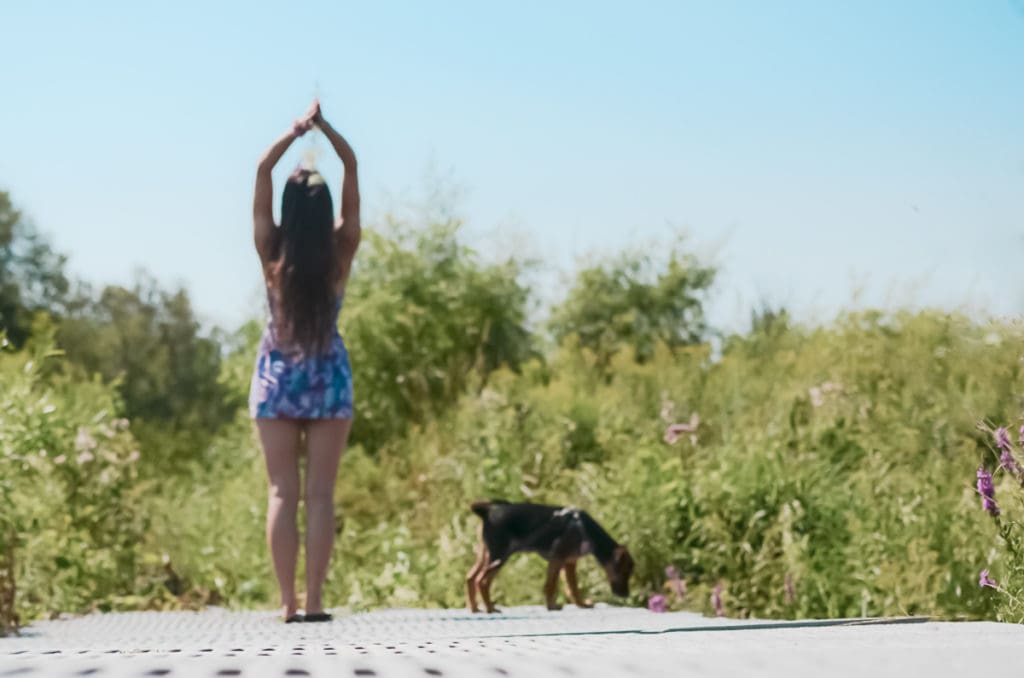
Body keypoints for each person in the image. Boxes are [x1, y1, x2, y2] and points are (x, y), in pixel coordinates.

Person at [249, 100, 360, 623]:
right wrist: (327, 130)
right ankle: (315, 602)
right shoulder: (341, 251)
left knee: (281, 492)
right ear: (325, 210)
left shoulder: (272, 251)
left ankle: (287, 605)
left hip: (277, 382)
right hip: (328, 383)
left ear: (290, 211)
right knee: (319, 496)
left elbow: (262, 169)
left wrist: (294, 134)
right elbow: (353, 165)